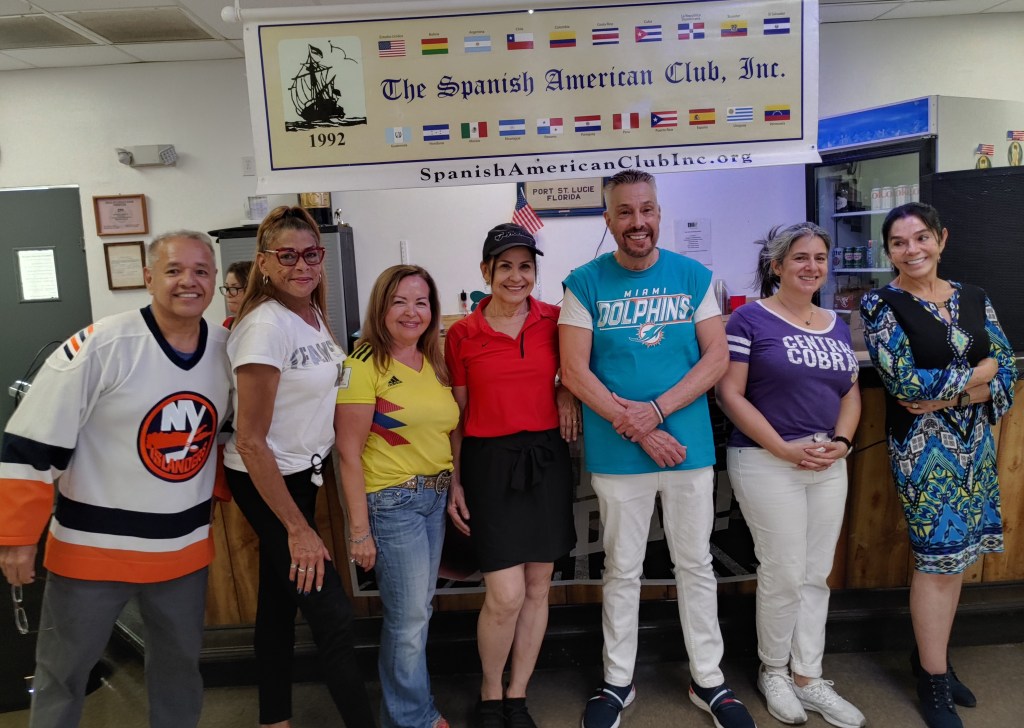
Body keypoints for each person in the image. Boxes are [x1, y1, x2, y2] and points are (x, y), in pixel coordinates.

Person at [0, 231, 232, 728]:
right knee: (63, 673)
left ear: (214, 279)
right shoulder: (103, 343)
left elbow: (226, 436)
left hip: (183, 552)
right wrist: (18, 538)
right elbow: (32, 440)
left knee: (178, 672)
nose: (188, 281)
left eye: (200, 271)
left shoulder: (226, 350)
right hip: (93, 553)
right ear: (148, 278)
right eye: (173, 271)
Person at [558, 169, 755, 728]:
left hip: (688, 447)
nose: (637, 222)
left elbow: (716, 358)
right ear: (608, 219)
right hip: (619, 452)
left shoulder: (694, 276)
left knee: (695, 564)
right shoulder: (584, 282)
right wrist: (637, 424)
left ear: (659, 214)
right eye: (624, 212)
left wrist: (659, 411)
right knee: (622, 566)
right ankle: (617, 681)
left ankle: (709, 681)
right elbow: (573, 370)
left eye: (646, 209)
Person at [860, 203, 1016, 728]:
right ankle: (931, 680)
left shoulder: (975, 297)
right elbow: (905, 386)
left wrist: (956, 393)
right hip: (923, 454)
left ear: (941, 239)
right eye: (899, 243)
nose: (913, 250)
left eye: (921, 238)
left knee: (959, 560)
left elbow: (1009, 366)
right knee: (938, 561)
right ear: (889, 252)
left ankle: (935, 662)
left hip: (976, 449)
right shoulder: (882, 305)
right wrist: (979, 374)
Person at [222, 206, 374, 728]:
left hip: (300, 476)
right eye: (286, 256)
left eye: (310, 255)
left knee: (278, 606)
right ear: (263, 262)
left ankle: (274, 719)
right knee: (332, 616)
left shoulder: (309, 314)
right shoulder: (264, 327)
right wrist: (297, 529)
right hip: (267, 481)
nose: (300, 266)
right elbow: (250, 439)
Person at [715, 224, 865, 728]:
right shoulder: (748, 318)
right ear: (776, 266)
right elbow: (729, 394)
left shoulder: (835, 323)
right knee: (781, 571)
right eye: (799, 258)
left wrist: (842, 443)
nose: (812, 267)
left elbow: (849, 392)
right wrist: (780, 446)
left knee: (815, 573)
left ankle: (809, 676)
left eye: (820, 258)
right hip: (765, 462)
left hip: (826, 463)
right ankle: (773, 670)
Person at [444, 223, 579, 728]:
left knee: (539, 584)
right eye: (505, 267)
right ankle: (489, 693)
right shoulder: (461, 333)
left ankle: (518, 694)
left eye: (526, 267)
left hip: (545, 457)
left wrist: (564, 389)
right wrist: (456, 481)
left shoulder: (555, 320)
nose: (516, 276)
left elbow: (576, 370)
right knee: (505, 593)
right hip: (488, 463)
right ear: (486, 272)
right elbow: (456, 417)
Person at [336, 265, 459, 728]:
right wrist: (359, 532)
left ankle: (404, 714)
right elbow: (347, 454)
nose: (412, 312)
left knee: (415, 615)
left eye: (422, 302)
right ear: (381, 307)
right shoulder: (362, 364)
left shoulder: (432, 362)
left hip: (433, 499)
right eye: (400, 302)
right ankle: (413, 718)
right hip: (392, 503)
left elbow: (447, 432)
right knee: (408, 621)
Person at [220, 259, 253, 328]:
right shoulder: (227, 323)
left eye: (234, 288)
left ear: (251, 290)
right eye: (227, 288)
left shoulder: (259, 325)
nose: (228, 294)